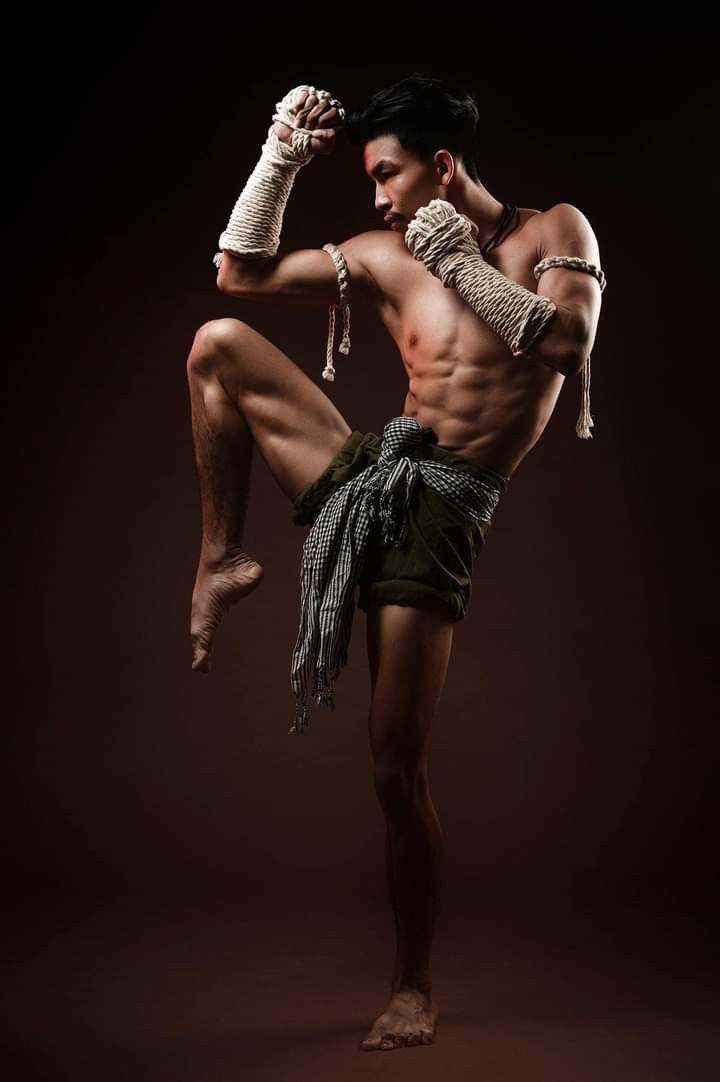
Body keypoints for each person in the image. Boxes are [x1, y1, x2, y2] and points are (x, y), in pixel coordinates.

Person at [186, 73, 605, 1052]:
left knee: (391, 763)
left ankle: (413, 982)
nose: (376, 198)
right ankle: (219, 557)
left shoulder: (556, 235)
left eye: (388, 175)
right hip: (377, 469)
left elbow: (567, 345)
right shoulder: (382, 252)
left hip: (444, 509)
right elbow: (238, 277)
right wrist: (279, 156)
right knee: (218, 344)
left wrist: (462, 266)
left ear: (443, 167)